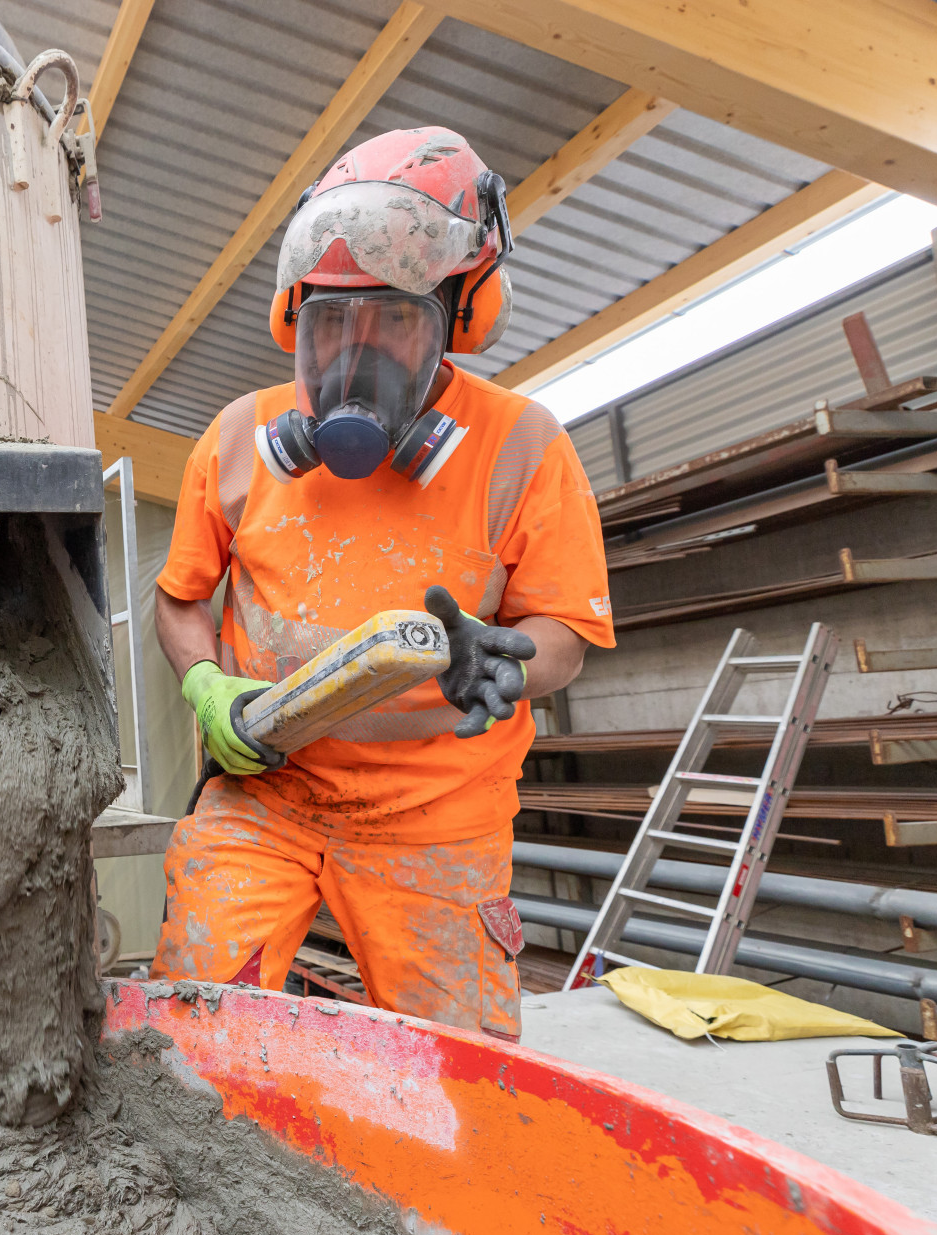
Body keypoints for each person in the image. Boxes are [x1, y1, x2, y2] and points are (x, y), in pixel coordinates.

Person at [149, 127, 615, 1041]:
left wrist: (509, 660)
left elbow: (564, 628)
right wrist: (204, 686)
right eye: (331, 321)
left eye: (394, 318)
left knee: (460, 1074)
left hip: (437, 816)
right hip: (266, 795)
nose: (354, 352)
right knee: (188, 1033)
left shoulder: (524, 446)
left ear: (461, 316)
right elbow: (179, 598)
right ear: (296, 321)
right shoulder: (240, 439)